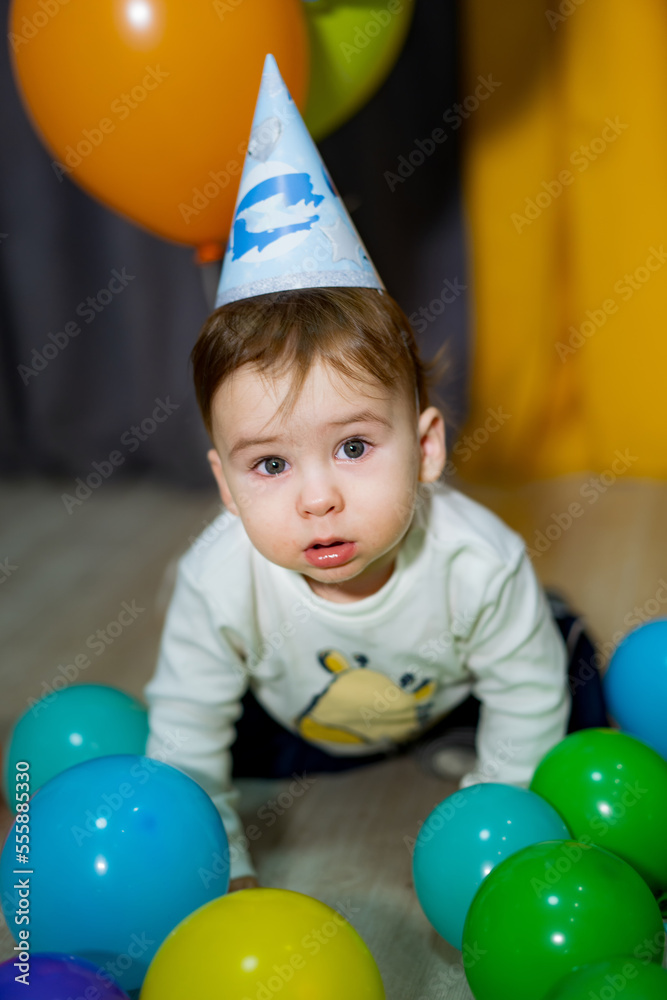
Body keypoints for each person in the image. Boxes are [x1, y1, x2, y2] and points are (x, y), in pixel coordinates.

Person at [143, 55, 607, 893]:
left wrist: (498, 811)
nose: (318, 496)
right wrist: (223, 873)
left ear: (427, 447)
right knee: (181, 741)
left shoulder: (477, 561)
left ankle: (482, 737)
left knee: (560, 666)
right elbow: (186, 739)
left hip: (452, 689)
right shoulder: (219, 581)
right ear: (224, 484)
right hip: (301, 719)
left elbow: (525, 701)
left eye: (354, 447)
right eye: (271, 464)